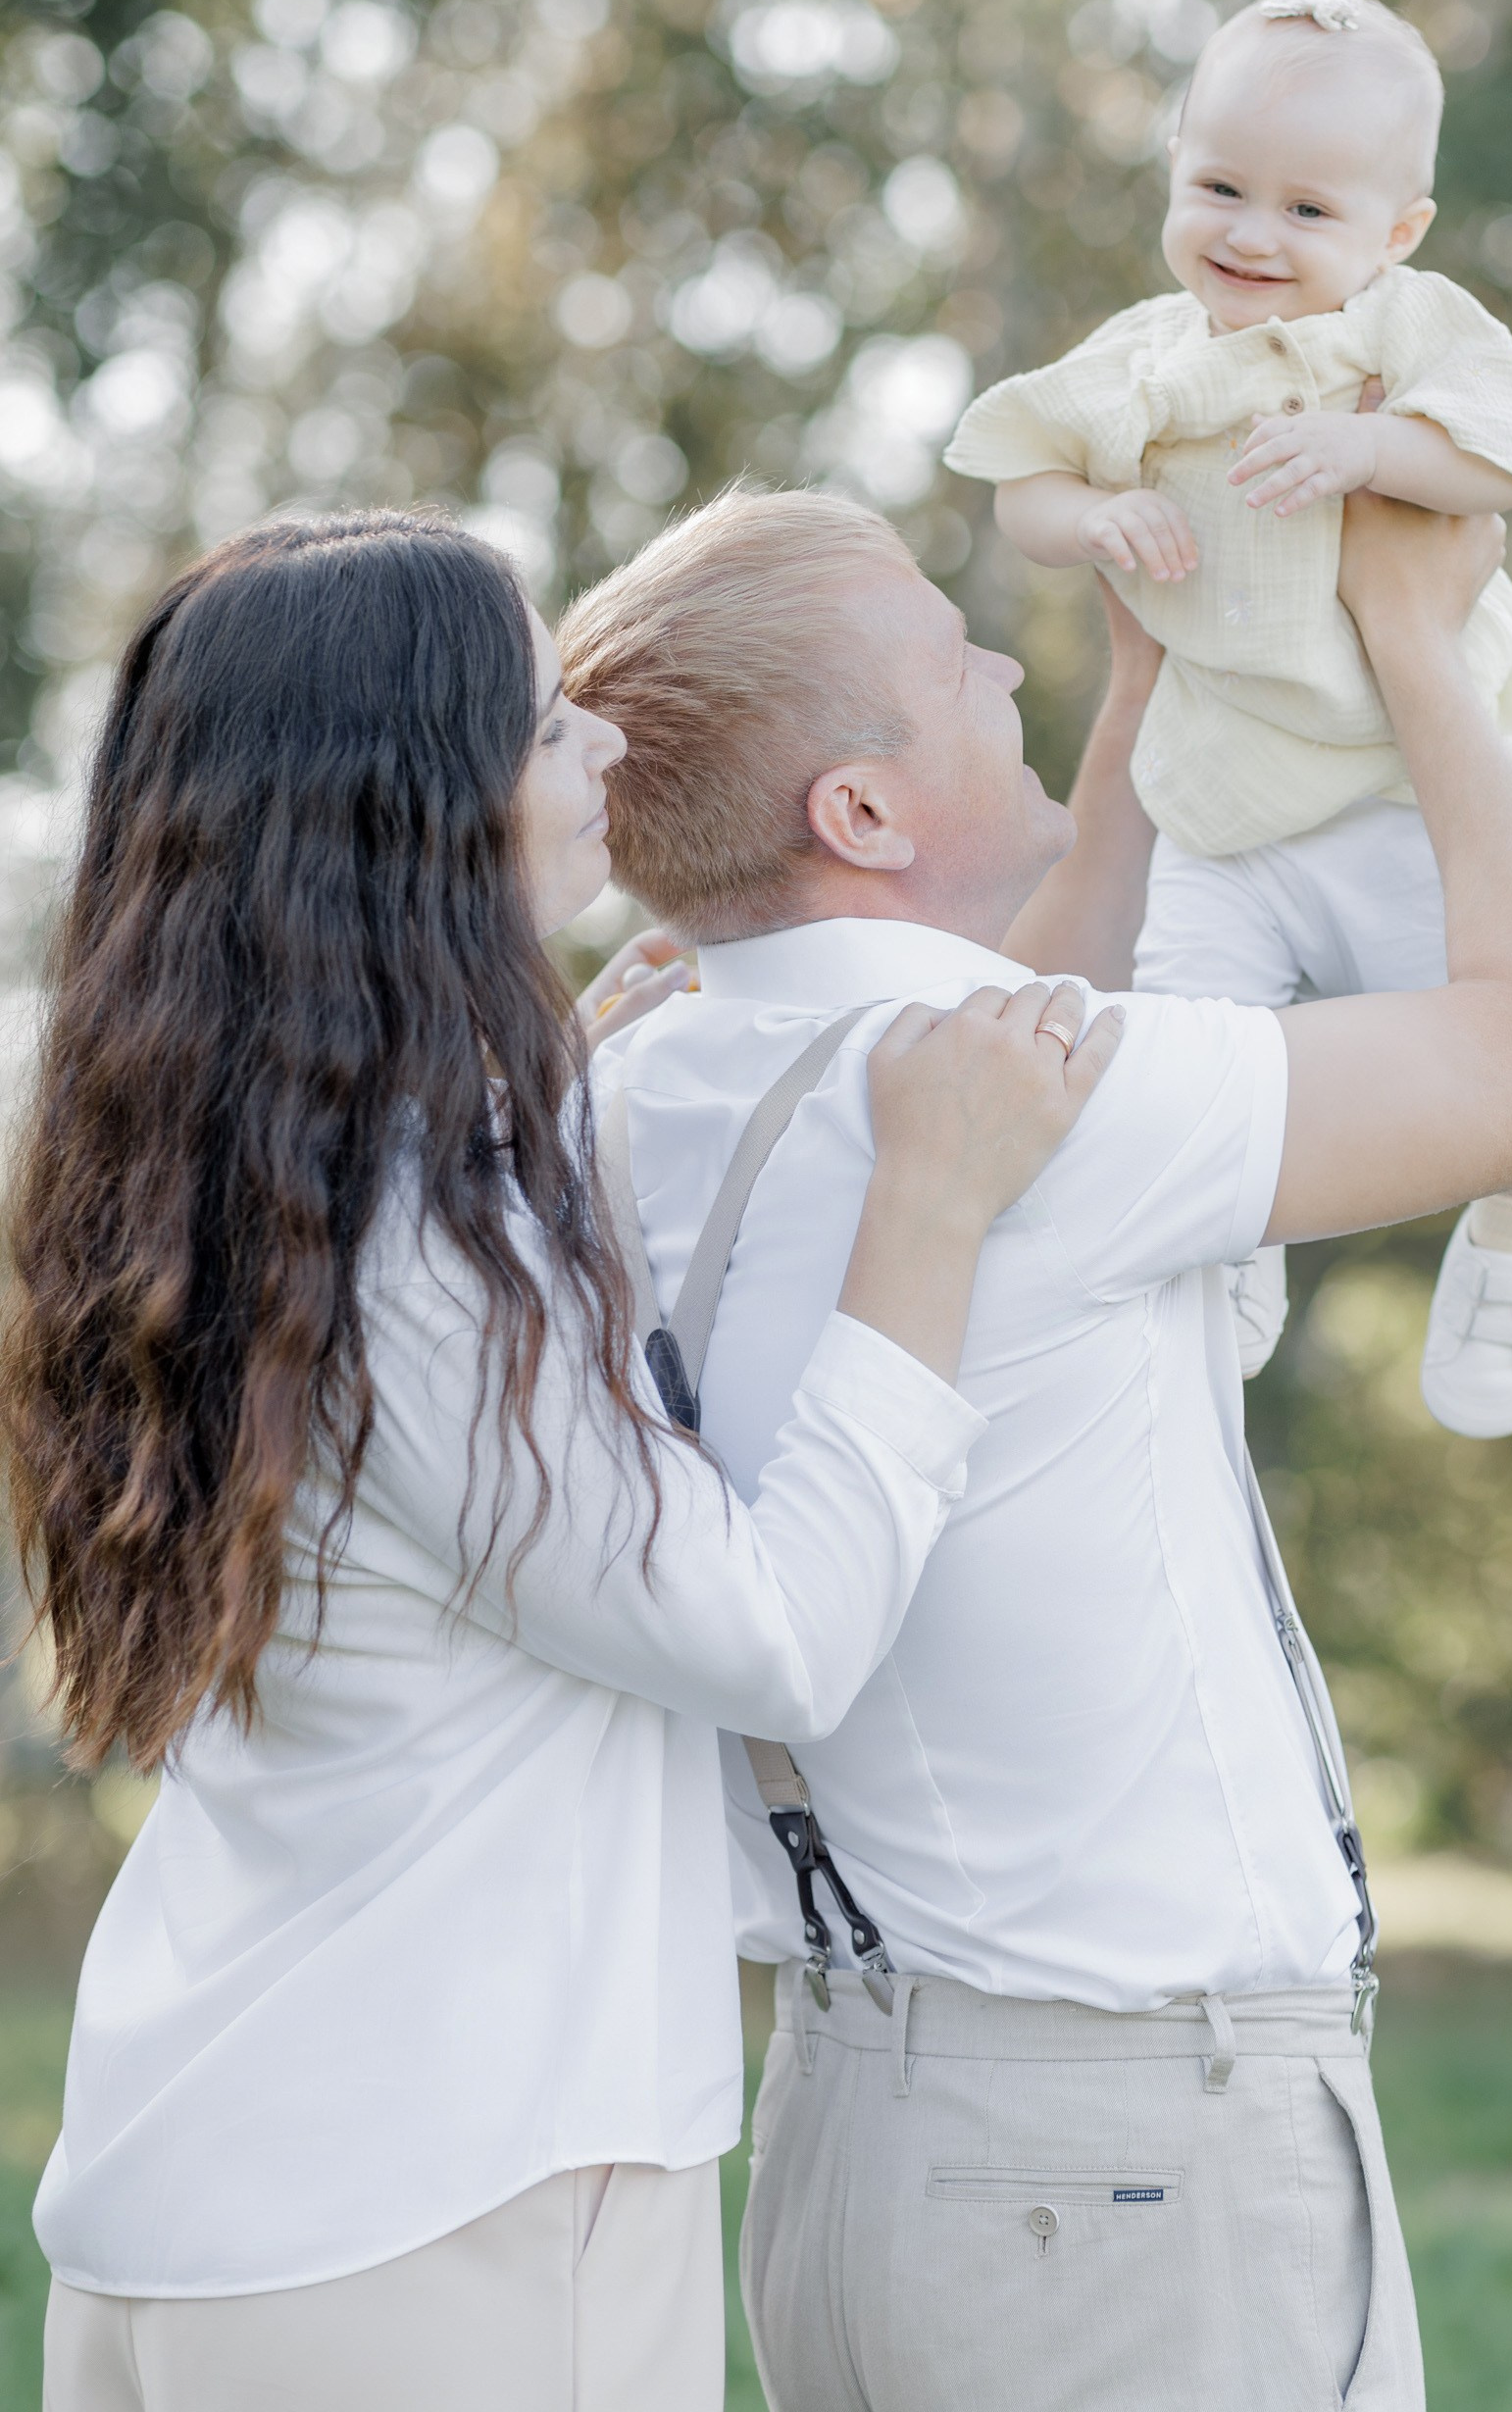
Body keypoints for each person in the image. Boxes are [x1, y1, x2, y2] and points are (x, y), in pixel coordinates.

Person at [0, 510, 1120, 2412]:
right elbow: (767, 1633)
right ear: (415, 814)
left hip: (202, 2205)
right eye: (540, 729)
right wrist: (924, 1210)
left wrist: (560, 1087)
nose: (596, 744)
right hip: (442, 2220)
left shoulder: (212, 1175)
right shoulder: (425, 1243)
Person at [557, 477, 1512, 2412]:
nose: (998, 657)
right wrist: (1410, 638)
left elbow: (988, 989)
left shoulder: (642, 1074)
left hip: (867, 2124)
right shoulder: (1042, 1116)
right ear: (862, 813)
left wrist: (1144, 707)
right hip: (1128, 2153)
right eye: (944, 649)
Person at [944, 0, 1512, 1434]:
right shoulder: (1145, 353)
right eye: (1220, 187)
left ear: (1395, 232)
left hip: (1398, 795)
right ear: (1174, 173)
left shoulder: (1410, 331)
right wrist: (1093, 516)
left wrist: (1372, 446)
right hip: (1222, 791)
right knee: (1189, 1035)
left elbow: (1502, 465)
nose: (1250, 235)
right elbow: (1022, 475)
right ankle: (1241, 1240)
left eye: (1308, 212)